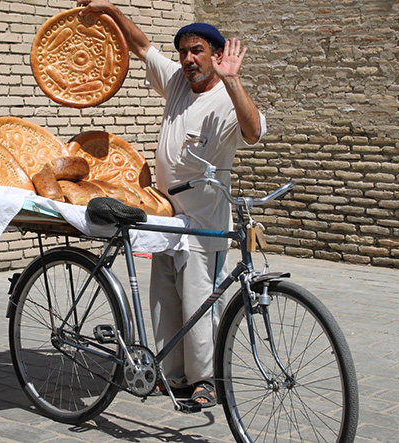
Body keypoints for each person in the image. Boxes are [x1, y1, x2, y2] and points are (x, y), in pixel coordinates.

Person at [77, 0, 266, 408]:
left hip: (204, 218)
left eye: (197, 51)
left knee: (200, 299)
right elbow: (141, 46)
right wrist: (110, 9)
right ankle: (169, 374)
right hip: (163, 210)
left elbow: (253, 132)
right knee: (164, 295)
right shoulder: (179, 82)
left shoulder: (227, 98)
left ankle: (207, 380)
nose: (188, 59)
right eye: (183, 52)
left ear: (216, 56)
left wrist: (233, 81)